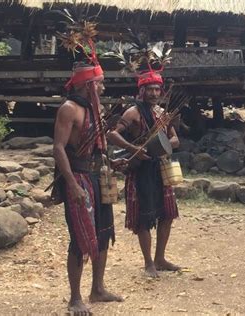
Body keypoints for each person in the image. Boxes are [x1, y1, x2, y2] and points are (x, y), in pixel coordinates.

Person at [53, 61, 124, 314]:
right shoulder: (69, 109)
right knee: (80, 239)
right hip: (80, 177)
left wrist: (112, 161)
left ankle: (98, 289)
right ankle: (75, 298)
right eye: (100, 82)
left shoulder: (96, 109)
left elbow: (98, 146)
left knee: (103, 233)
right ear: (88, 85)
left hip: (97, 175)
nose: (103, 87)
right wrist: (71, 184)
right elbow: (59, 147)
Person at [107, 70, 180, 278]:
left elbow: (175, 140)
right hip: (140, 170)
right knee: (143, 218)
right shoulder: (133, 113)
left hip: (160, 167)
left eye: (157, 89)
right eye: (150, 89)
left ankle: (160, 258)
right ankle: (148, 263)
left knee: (167, 215)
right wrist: (133, 149)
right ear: (142, 90)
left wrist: (165, 145)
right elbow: (112, 133)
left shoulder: (161, 114)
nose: (154, 93)